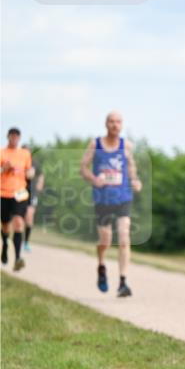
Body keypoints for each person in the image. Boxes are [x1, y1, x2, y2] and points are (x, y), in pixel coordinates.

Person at [79, 111, 142, 297]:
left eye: (118, 122)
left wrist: (135, 180)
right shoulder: (95, 144)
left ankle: (123, 282)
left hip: (123, 197)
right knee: (105, 240)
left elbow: (131, 167)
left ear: (122, 125)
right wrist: (93, 179)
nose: (115, 125)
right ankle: (101, 265)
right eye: (112, 121)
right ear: (106, 124)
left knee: (124, 237)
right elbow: (82, 168)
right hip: (102, 198)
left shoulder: (126, 145)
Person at [1, 127, 34, 271]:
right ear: (8, 137)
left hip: (20, 193)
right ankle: (5, 245)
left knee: (19, 223)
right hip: (3, 193)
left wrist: (31, 173)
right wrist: (4, 169)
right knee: (5, 225)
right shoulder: (2, 152)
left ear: (19, 138)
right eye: (12, 136)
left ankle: (18, 258)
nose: (14, 139)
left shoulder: (25, 154)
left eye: (16, 136)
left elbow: (29, 172)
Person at [23, 146, 44, 252]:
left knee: (29, 216)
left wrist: (40, 184)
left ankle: (26, 242)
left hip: (32, 193)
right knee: (18, 218)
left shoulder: (34, 163)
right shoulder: (18, 162)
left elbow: (41, 175)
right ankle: (14, 238)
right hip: (19, 192)